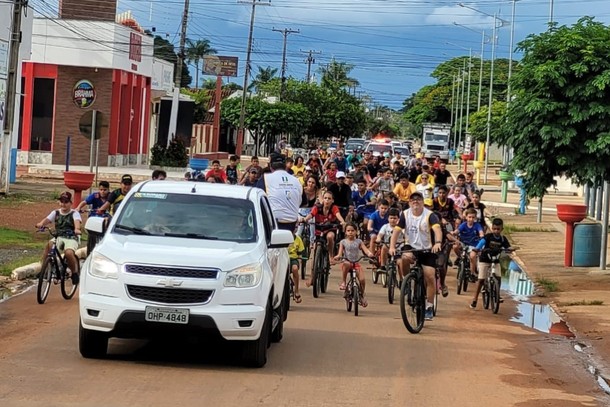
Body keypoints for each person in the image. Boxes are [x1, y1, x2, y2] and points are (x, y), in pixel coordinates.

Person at [389, 192, 444, 321]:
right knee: (404, 258)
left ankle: (429, 306)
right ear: (409, 202)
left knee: (429, 275)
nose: (415, 202)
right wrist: (392, 247)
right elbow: (396, 231)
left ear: (423, 202)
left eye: (418, 199)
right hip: (411, 246)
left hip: (427, 248)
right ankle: (406, 280)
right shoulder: (405, 214)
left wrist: (438, 242)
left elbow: (437, 230)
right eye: (413, 200)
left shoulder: (430, 215)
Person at [36, 192, 82, 284]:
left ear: (70, 203)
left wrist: (77, 229)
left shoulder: (74, 213)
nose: (63, 204)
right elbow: (47, 220)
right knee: (49, 245)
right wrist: (41, 224)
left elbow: (77, 223)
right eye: (61, 201)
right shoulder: (56, 212)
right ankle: (43, 270)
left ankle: (74, 273)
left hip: (71, 237)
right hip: (59, 236)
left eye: (66, 202)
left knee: (69, 253)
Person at [471, 217, 513, 309]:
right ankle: (475, 299)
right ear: (492, 228)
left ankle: (497, 294)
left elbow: (508, 247)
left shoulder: (503, 239)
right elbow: (481, 243)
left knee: (498, 277)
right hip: (485, 259)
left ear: (502, 229)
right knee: (481, 279)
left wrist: (510, 249)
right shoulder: (488, 237)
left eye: (498, 229)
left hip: (495, 260)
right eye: (494, 229)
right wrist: (477, 249)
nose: (496, 231)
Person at [256, 152, 302, 231]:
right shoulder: (296, 180)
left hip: (273, 224)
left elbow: (256, 197)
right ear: (285, 166)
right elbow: (304, 202)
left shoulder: (266, 178)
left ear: (270, 166)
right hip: (292, 224)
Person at [334, 222, 375, 307]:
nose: (350, 232)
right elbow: (340, 253)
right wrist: (338, 256)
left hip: (356, 263)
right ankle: (344, 282)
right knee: (347, 263)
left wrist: (369, 254)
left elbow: (365, 250)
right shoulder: (343, 242)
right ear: (345, 232)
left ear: (356, 232)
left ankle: (362, 295)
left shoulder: (359, 241)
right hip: (347, 262)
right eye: (348, 230)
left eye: (352, 230)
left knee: (362, 280)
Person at [452, 208, 485, 277]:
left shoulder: (477, 225)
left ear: (475, 218)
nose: (471, 219)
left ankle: (472, 273)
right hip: (463, 244)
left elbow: (481, 232)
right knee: (455, 247)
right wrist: (453, 233)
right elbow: (457, 230)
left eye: (473, 217)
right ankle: (461, 258)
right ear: (466, 217)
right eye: (469, 217)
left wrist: (481, 235)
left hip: (473, 245)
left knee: (472, 256)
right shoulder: (463, 225)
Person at [288, 230, 304, 304]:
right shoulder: (284, 239)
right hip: (284, 259)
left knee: (295, 269)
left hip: (293, 259)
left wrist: (299, 263)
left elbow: (300, 254)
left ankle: (296, 291)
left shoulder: (298, 239)